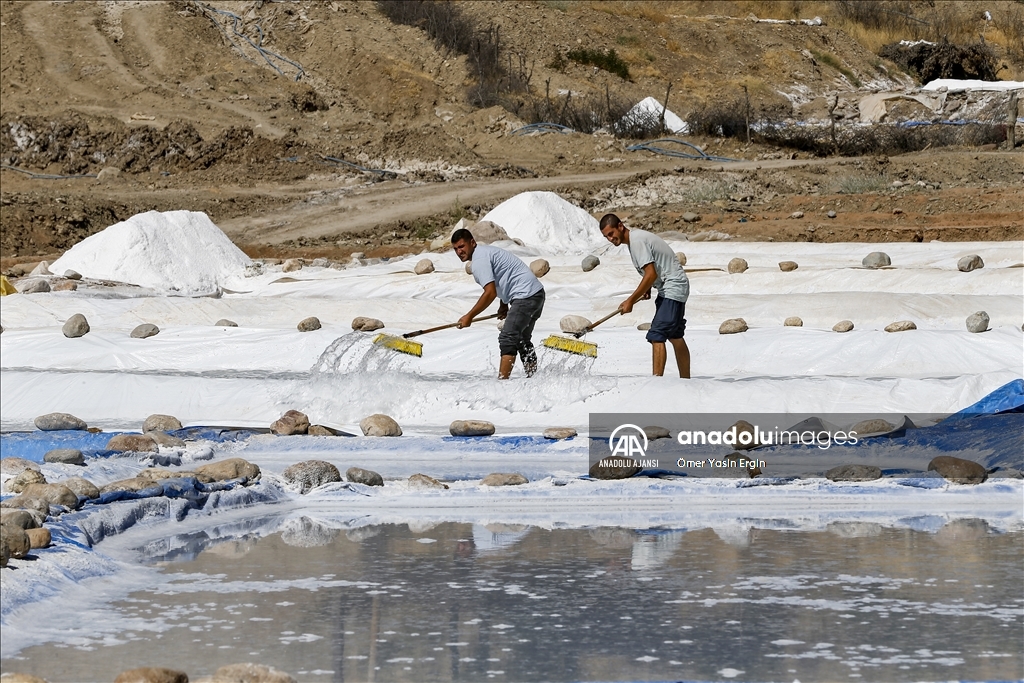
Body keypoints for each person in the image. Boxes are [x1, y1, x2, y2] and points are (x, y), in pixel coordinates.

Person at [599, 214, 690, 378]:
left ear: (620, 226)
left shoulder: (637, 242)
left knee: (657, 334)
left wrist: (630, 300)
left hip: (673, 287)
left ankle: (656, 384)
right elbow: (652, 273)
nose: (610, 239)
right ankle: (686, 380)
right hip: (669, 288)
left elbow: (650, 273)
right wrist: (647, 288)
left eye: (611, 234)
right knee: (675, 336)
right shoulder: (634, 241)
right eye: (606, 237)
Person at [451, 228, 545, 379]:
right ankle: (533, 378)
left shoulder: (479, 260)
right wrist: (504, 304)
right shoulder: (485, 252)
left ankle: (502, 384)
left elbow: (490, 293)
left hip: (525, 296)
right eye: (455, 249)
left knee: (508, 337)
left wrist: (469, 316)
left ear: (472, 243)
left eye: (462, 246)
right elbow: (504, 277)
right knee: (521, 339)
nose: (459, 251)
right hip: (536, 294)